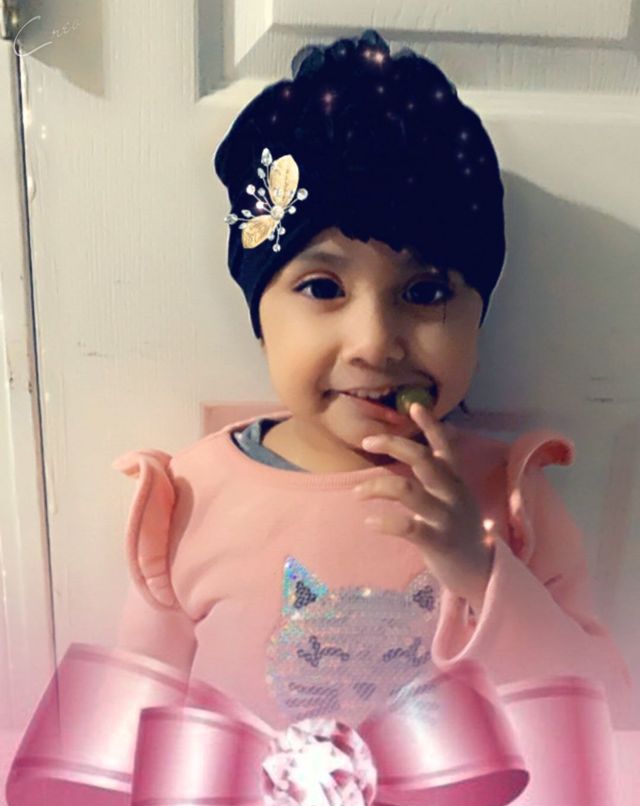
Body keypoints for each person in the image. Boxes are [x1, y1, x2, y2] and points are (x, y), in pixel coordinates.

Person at [112, 29, 633, 734]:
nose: (375, 343)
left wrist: (482, 572)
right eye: (323, 287)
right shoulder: (187, 499)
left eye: (424, 292)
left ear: (479, 318)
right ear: (260, 317)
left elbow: (607, 715)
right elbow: (128, 728)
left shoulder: (511, 503)